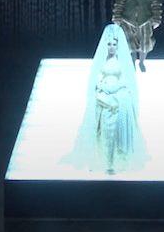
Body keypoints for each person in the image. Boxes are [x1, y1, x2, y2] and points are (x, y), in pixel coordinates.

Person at [61, 24, 149, 175]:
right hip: (104, 95)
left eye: (114, 44)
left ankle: (118, 159)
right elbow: (97, 78)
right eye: (109, 44)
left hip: (118, 94)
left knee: (121, 114)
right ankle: (104, 159)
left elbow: (126, 79)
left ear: (118, 46)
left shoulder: (122, 62)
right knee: (102, 123)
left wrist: (115, 88)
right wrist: (103, 86)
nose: (111, 47)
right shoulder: (102, 61)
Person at [112, 0, 163, 72]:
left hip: (146, 20)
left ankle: (142, 62)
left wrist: (157, 18)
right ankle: (132, 63)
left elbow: (156, 3)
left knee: (145, 44)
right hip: (127, 20)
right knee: (130, 44)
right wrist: (116, 17)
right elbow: (119, 3)